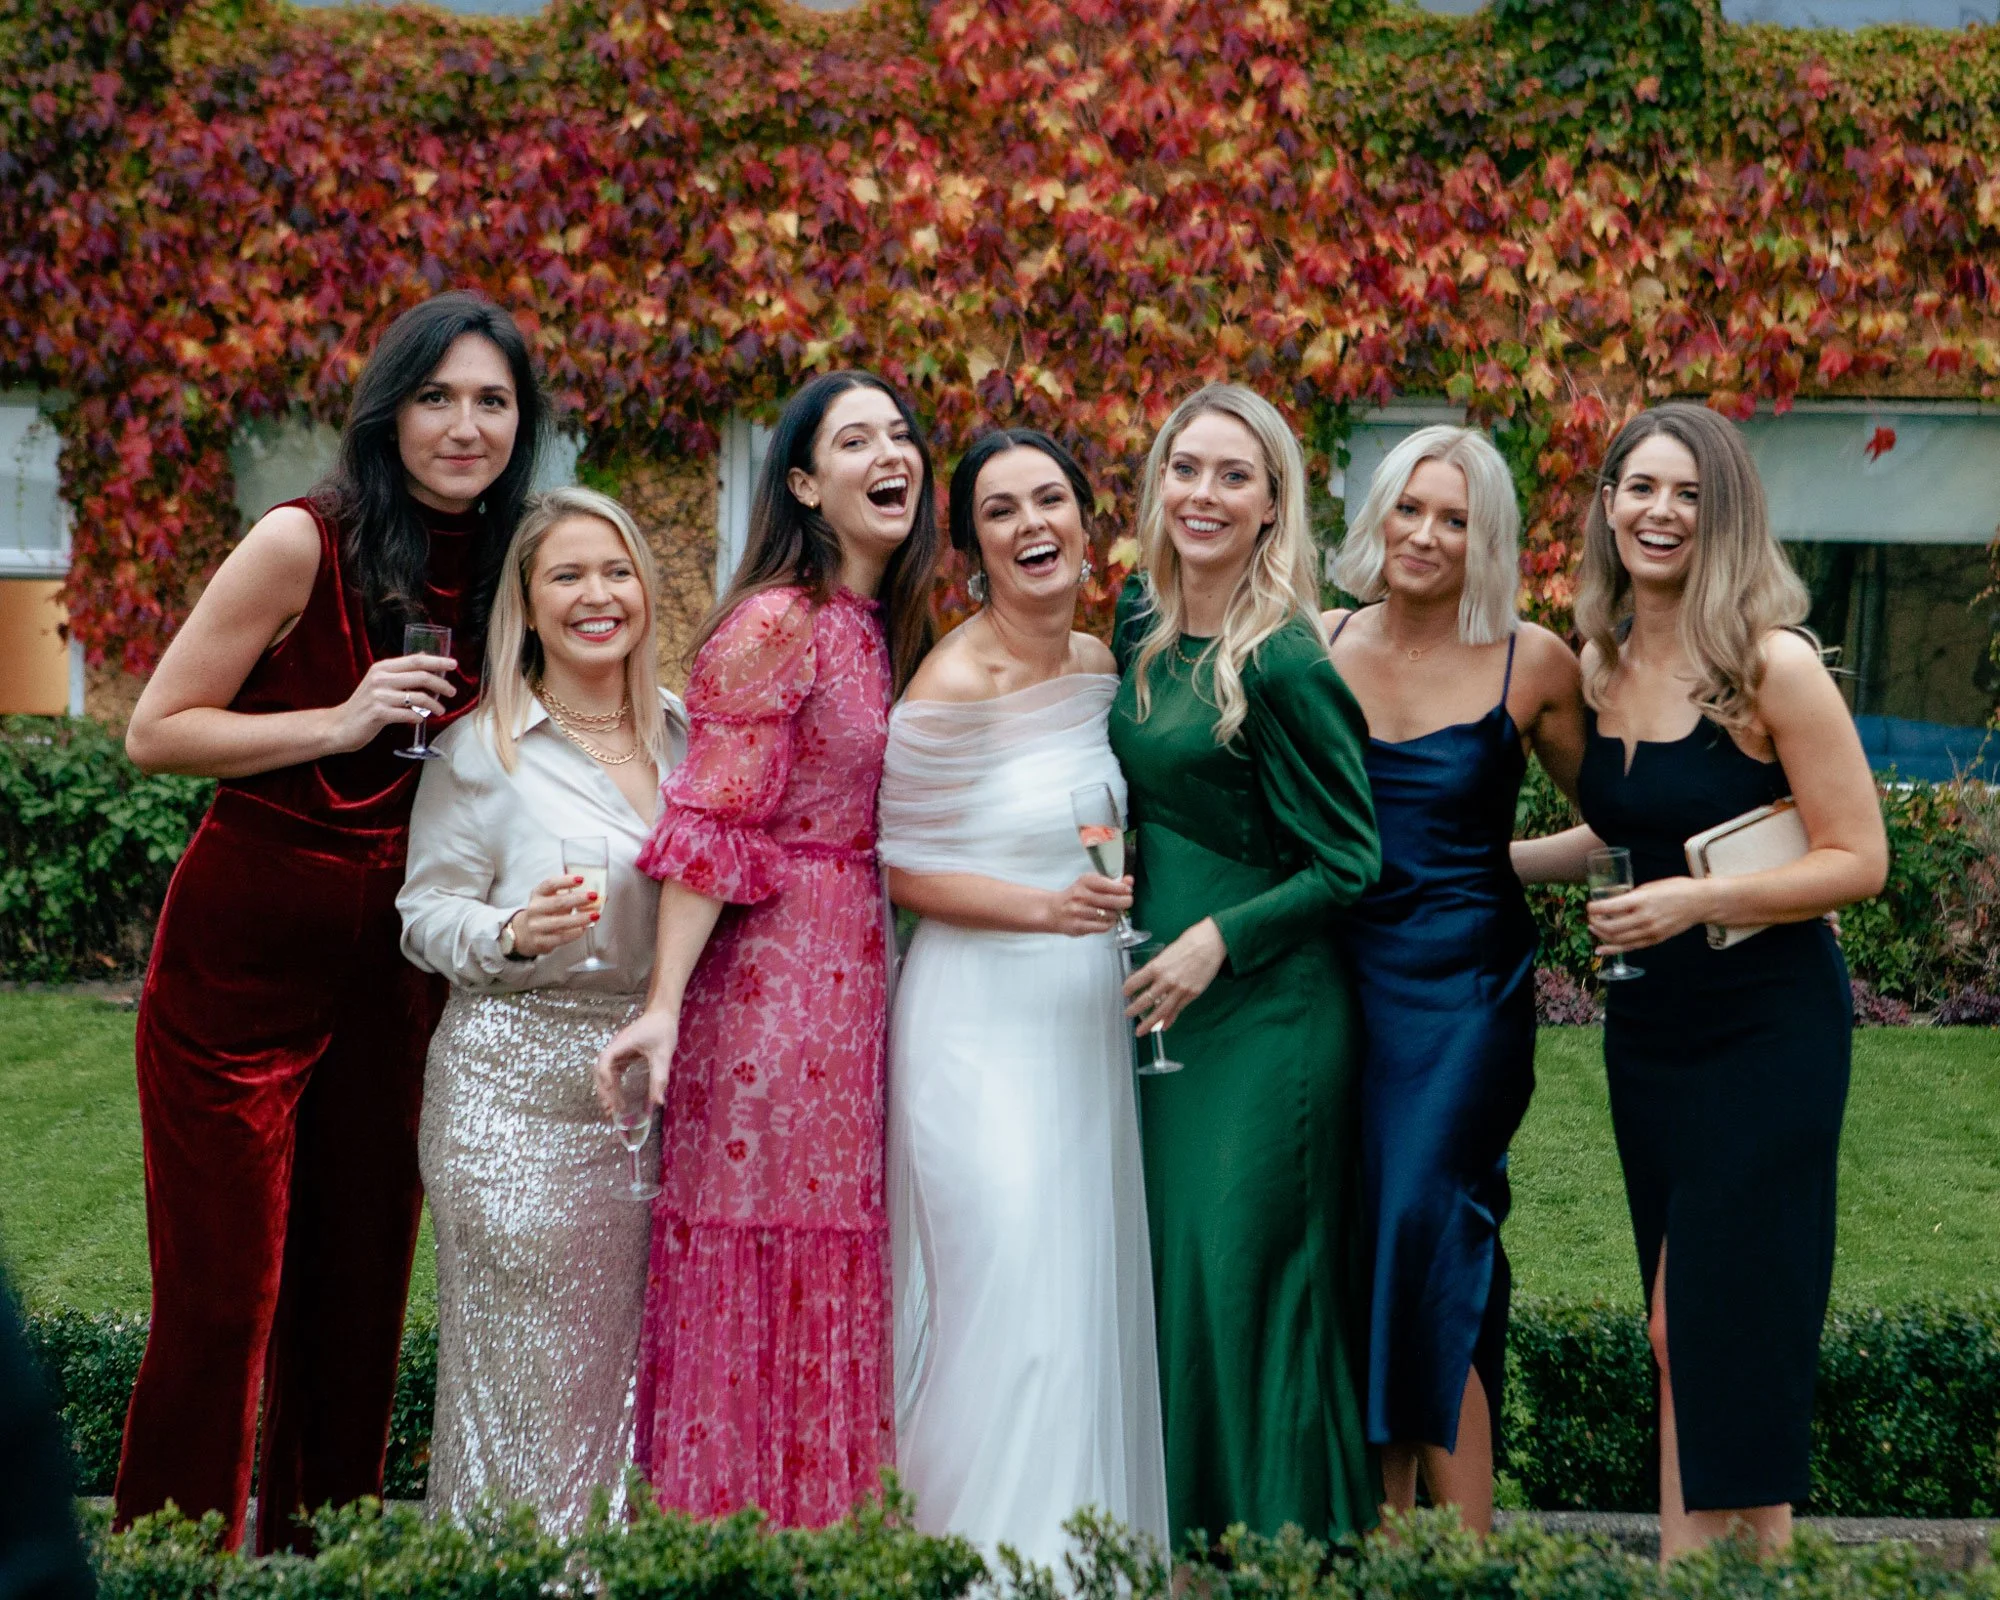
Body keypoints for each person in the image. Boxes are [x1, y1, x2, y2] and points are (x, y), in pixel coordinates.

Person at [117, 291, 543, 1552]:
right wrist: (341, 721)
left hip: (396, 972)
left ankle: (323, 1558)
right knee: (222, 1295)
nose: (463, 426)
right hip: (239, 967)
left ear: (522, 423)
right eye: (436, 396)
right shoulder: (302, 540)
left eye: (491, 401)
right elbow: (156, 731)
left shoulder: (513, 562)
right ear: (389, 408)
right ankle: (167, 1562)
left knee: (359, 1289)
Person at [1512, 402, 1886, 1560]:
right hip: (1652, 1033)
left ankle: (1740, 1567)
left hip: (1767, 1029)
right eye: (1637, 488)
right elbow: (1624, 830)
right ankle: (1717, 1565)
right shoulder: (1600, 662)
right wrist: (1481, 866)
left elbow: (1856, 860)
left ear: (1721, 515)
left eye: (1685, 493)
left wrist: (1692, 900)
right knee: (1677, 1329)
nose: (1658, 512)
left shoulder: (1769, 664)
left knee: (1717, 1317)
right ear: (1606, 505)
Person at [593, 370, 940, 1527]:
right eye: (854, 440)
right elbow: (707, 825)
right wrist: (663, 1005)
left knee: (833, 1242)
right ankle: (733, 1531)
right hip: (771, 991)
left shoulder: (881, 622)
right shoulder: (778, 621)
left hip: (853, 972)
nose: (888, 453)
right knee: (764, 1242)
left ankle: (826, 1524)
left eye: (899, 434)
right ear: (803, 483)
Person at [881, 430, 1170, 1567]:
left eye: (1049, 499)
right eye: (1000, 511)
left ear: (1086, 522)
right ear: (970, 550)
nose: (1031, 524)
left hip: (1080, 1018)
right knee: (1002, 1296)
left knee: (1076, 1290)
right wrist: (1034, 910)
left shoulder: (1101, 666)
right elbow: (893, 868)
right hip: (974, 1022)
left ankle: (1077, 1560)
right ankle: (971, 1562)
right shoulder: (954, 677)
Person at [1109, 383, 1381, 1544]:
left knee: (1245, 1281)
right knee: (1177, 1281)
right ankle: (1184, 1550)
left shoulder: (1282, 662)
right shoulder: (1138, 621)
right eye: (1185, 469)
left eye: (1233, 476)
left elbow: (1352, 861)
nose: (1202, 495)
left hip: (1266, 1013)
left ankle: (1283, 1554)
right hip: (1160, 1011)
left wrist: (1219, 939)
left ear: (1273, 505)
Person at [397, 487, 687, 1530]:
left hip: (648, 1094)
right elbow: (421, 912)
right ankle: (515, 1568)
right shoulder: (481, 749)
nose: (596, 595)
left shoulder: (686, 738)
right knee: (528, 1384)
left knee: (629, 1384)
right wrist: (511, 933)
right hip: (509, 1090)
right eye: (566, 574)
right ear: (526, 598)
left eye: (615, 572)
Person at [1322, 426, 1584, 1532]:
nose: (1425, 534)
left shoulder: (1533, 660)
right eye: (1409, 508)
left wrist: (1496, 868)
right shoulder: (1315, 639)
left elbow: (1618, 819)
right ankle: (1408, 1547)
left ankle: (1445, 1549)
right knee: (1373, 1237)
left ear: (1488, 542)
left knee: (1422, 1216)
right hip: (1338, 980)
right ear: (1376, 515)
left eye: (1454, 519)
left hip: (1466, 991)